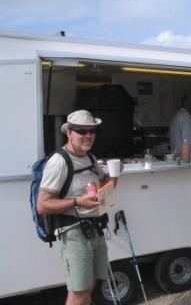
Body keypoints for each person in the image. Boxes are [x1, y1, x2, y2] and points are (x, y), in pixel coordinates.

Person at [37, 110, 118, 305]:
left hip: (95, 229)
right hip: (74, 234)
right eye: (82, 131)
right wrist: (76, 202)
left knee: (90, 285)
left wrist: (114, 175)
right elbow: (43, 205)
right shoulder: (59, 162)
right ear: (69, 133)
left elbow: (106, 186)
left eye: (92, 131)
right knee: (79, 291)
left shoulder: (90, 158)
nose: (88, 135)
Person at [169, 94, 191, 160]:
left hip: (177, 160)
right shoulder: (185, 117)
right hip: (183, 161)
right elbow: (187, 142)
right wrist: (186, 166)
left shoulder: (177, 115)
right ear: (187, 103)